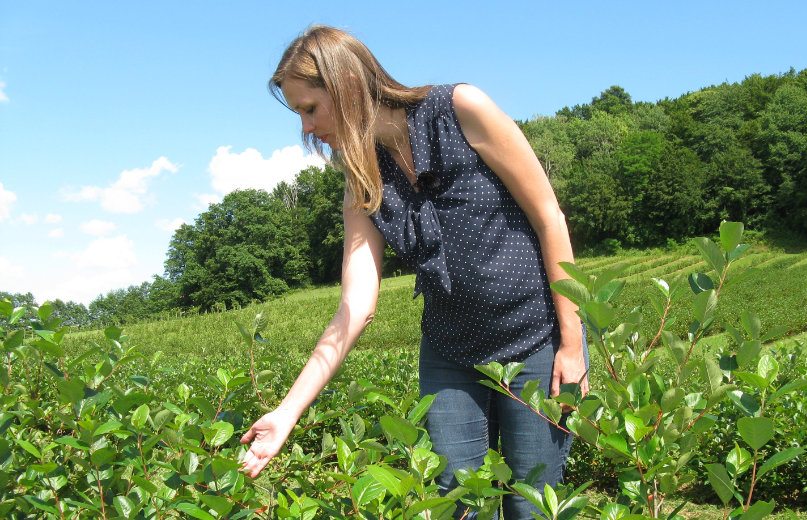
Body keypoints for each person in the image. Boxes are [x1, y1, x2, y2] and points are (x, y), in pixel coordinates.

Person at [238, 25, 588, 519]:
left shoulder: (461, 109)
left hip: (536, 339)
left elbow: (549, 217)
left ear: (347, 84)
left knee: (531, 503)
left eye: (310, 108)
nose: (306, 128)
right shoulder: (362, 178)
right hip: (450, 352)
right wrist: (287, 412)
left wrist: (571, 344)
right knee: (456, 502)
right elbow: (355, 305)